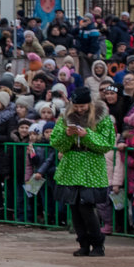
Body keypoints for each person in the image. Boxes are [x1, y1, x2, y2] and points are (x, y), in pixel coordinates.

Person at [50, 86, 115, 256]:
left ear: (89, 104)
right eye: (77, 106)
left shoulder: (103, 118)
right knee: (75, 207)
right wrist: (67, 134)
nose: (79, 109)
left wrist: (87, 135)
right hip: (71, 165)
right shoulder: (64, 118)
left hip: (92, 166)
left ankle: (98, 243)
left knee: (86, 206)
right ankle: (83, 244)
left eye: (83, 106)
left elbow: (106, 144)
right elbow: (56, 142)